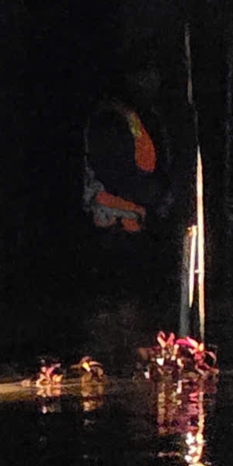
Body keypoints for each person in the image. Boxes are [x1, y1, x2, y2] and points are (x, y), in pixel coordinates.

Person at [81, 56, 179, 291]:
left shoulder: (142, 115)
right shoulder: (112, 118)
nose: (152, 81)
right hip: (116, 231)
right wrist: (158, 198)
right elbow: (117, 176)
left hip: (136, 230)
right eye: (144, 74)